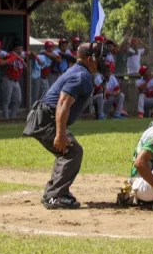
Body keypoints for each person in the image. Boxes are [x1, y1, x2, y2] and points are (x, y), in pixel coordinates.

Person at [23, 42, 108, 210]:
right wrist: (60, 134)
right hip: (46, 119)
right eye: (100, 58)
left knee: (67, 152)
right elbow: (63, 104)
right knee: (72, 151)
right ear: (90, 59)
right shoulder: (80, 76)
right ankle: (55, 196)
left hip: (46, 117)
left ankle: (54, 192)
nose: (103, 62)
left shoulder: (81, 72)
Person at [0, 40, 26, 119]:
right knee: (6, 100)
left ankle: (12, 118)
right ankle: (6, 119)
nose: (19, 51)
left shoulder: (22, 55)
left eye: (21, 49)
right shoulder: (10, 55)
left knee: (18, 100)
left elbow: (31, 53)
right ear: (14, 49)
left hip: (16, 81)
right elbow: (12, 54)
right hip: (8, 79)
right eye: (17, 49)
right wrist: (22, 60)